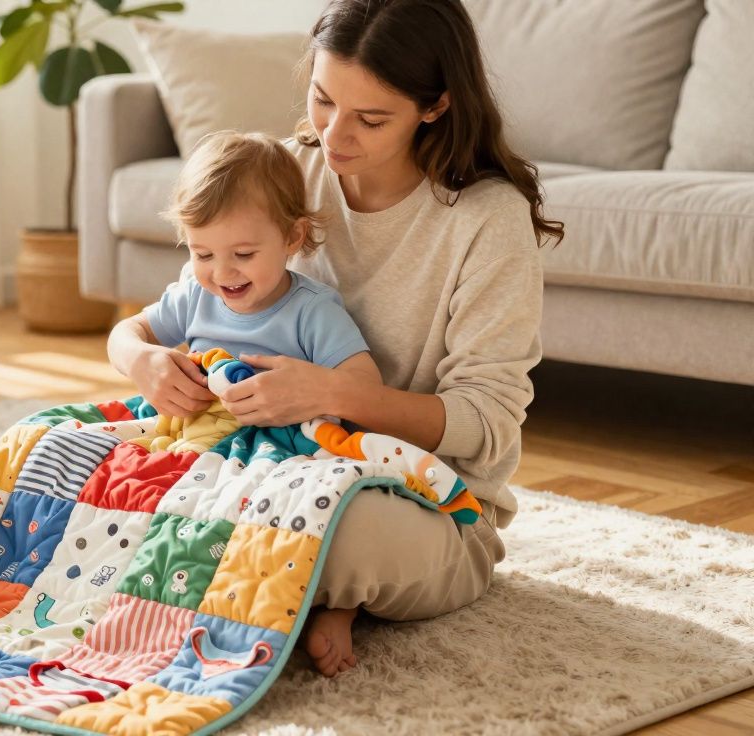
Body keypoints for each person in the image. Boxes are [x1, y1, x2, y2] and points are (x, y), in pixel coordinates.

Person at [110, 0, 562, 678]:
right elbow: (186, 300)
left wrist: (328, 394)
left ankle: (301, 590)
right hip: (260, 466)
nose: (335, 134)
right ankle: (295, 598)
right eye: (323, 100)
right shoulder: (291, 170)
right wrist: (141, 358)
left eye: (371, 118)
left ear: (434, 106)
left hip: (428, 502)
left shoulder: (486, 220)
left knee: (330, 532)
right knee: (95, 467)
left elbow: (487, 425)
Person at [107, 130, 382, 420]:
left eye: (243, 254)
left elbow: (367, 386)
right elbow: (124, 335)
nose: (223, 273)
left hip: (281, 449)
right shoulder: (194, 297)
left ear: (292, 236)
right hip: (194, 440)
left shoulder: (313, 311)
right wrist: (138, 359)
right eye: (203, 255)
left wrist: (316, 392)